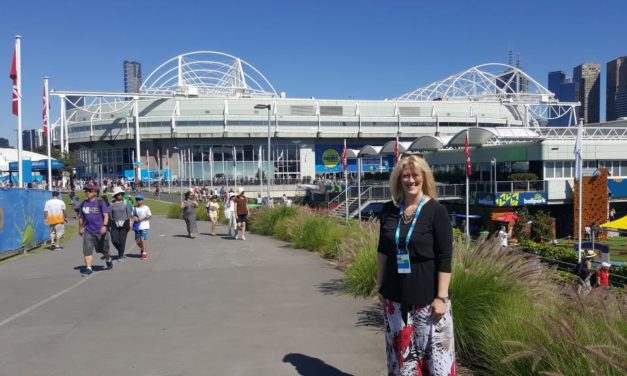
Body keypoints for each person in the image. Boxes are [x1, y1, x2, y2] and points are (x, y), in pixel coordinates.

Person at [376, 154, 455, 376]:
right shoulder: (389, 210)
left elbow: (445, 257)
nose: (410, 180)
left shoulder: (436, 212)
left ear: (424, 177)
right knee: (402, 364)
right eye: (405, 176)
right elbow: (382, 250)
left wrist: (442, 297)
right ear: (398, 179)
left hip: (428, 303)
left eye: (415, 175)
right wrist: (380, 285)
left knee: (434, 364)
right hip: (395, 300)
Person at [78, 183, 113, 276]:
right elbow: (81, 218)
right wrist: (80, 228)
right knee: (87, 250)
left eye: (88, 191)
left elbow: (106, 215)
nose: (86, 193)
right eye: (86, 191)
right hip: (88, 231)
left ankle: (108, 258)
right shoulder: (83, 204)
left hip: (101, 231)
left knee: (104, 250)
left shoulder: (100, 202)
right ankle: (88, 268)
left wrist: (104, 226)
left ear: (94, 192)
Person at [109, 186, 132, 261]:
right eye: (118, 194)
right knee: (114, 240)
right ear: (115, 195)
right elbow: (109, 214)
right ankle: (121, 251)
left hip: (124, 223)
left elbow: (129, 214)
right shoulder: (112, 203)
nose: (120, 195)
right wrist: (109, 223)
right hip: (114, 223)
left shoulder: (125, 203)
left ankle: (120, 255)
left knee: (122, 240)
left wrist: (130, 223)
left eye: (121, 194)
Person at [133, 194, 152, 260]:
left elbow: (150, 216)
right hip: (137, 226)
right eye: (137, 200)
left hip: (144, 225)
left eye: (139, 200)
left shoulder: (146, 207)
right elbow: (133, 215)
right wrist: (134, 218)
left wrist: (144, 218)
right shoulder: (134, 208)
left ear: (142, 200)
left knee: (143, 239)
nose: (138, 201)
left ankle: (144, 253)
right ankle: (142, 248)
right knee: (137, 241)